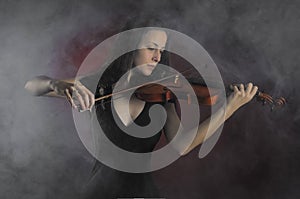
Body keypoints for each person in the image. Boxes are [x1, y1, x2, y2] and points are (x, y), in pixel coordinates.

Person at [24, 17, 258, 198]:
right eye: (151, 48)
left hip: (143, 194)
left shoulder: (163, 97)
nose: (158, 57)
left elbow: (182, 145)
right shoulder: (99, 85)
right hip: (98, 193)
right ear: (131, 48)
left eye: (161, 51)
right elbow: (32, 85)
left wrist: (228, 108)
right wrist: (59, 84)